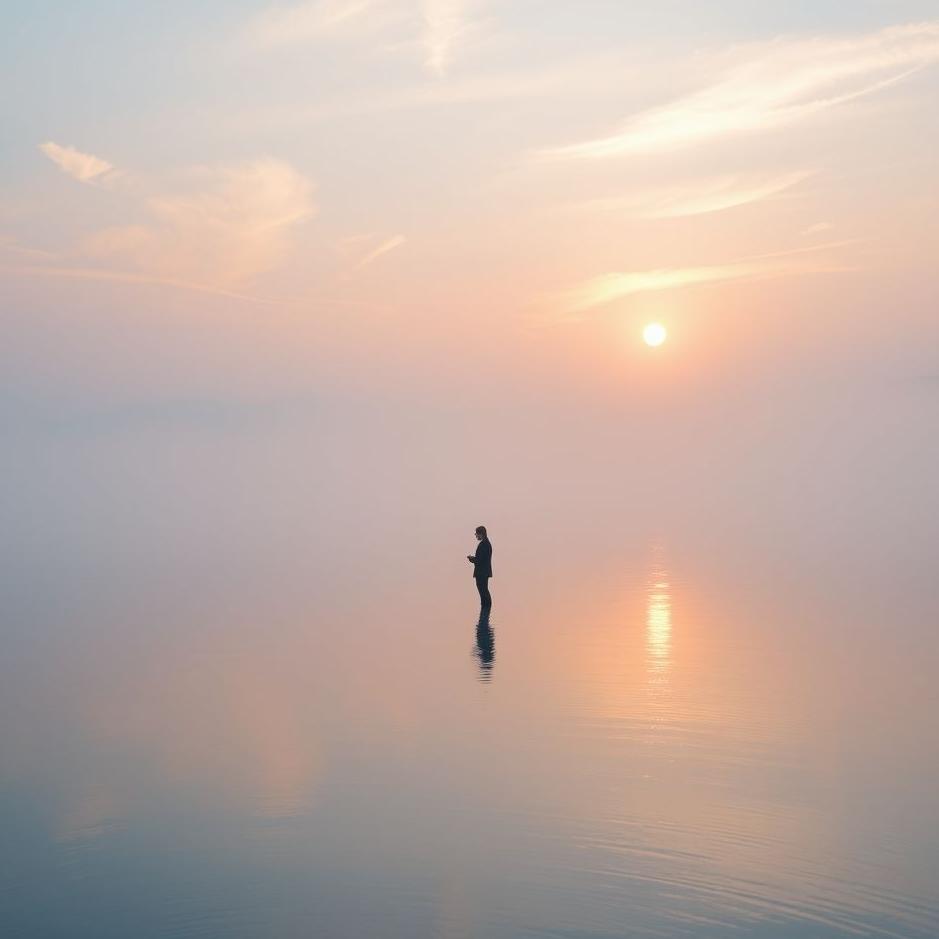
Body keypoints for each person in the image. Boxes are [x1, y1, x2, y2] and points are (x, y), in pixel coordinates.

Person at [467, 525, 492, 613]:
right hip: (484, 572)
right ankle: (485, 608)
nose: (476, 536)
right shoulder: (486, 544)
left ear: (481, 534)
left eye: (477, 534)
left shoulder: (484, 545)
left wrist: (471, 559)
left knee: (483, 591)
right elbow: (481, 559)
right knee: (484, 590)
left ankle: (486, 608)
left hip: (482, 573)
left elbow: (479, 560)